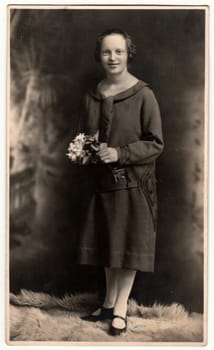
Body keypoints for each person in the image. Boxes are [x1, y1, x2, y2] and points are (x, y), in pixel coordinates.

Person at [75, 28, 164, 336]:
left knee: (127, 246)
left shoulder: (143, 94)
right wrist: (84, 150)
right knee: (108, 244)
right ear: (98, 56)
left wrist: (119, 152)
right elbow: (87, 135)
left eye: (118, 52)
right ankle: (109, 302)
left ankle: (122, 308)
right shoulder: (93, 95)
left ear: (128, 54)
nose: (112, 58)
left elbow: (155, 144)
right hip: (102, 184)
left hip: (133, 185)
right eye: (106, 52)